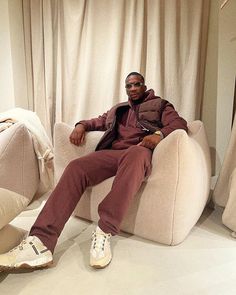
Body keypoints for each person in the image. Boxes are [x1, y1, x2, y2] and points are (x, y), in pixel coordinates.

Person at [0, 72, 188, 271]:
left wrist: (158, 134)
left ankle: (104, 230)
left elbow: (179, 124)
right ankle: (40, 243)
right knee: (76, 167)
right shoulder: (119, 109)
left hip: (138, 151)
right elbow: (98, 121)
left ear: (144, 85)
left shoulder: (159, 105)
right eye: (128, 86)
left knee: (136, 153)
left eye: (136, 84)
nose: (132, 89)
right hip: (113, 154)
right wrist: (81, 125)